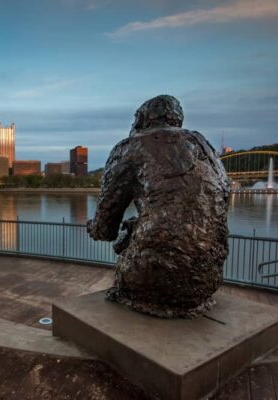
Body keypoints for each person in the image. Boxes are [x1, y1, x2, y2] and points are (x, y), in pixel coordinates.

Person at [87, 95, 230, 318]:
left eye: (135, 120)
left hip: (153, 280)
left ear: (143, 119)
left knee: (129, 251)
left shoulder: (130, 147)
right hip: (207, 279)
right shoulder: (205, 146)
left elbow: (105, 230)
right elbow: (219, 206)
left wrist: (94, 228)